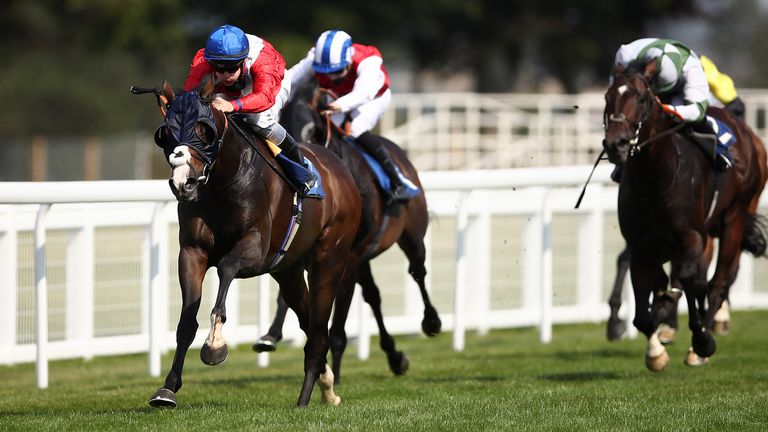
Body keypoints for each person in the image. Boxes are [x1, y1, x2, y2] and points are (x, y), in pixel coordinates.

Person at [183, 24, 315, 195]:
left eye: (231, 68)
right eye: (219, 68)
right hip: (235, 89)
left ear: (243, 60)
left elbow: (264, 97)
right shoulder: (203, 60)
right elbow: (189, 96)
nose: (226, 75)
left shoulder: (263, 61)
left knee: (259, 120)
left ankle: (300, 164)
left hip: (270, 86)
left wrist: (233, 105)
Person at [288, 30, 417, 202]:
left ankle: (398, 179)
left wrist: (338, 105)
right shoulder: (315, 58)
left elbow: (363, 93)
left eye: (337, 71)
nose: (331, 77)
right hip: (338, 99)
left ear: (348, 60)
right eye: (325, 72)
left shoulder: (368, 61)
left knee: (355, 129)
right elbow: (290, 80)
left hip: (373, 98)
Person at [610, 38, 732, 180]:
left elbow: (698, 112)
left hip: (676, 93)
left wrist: (665, 108)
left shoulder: (691, 66)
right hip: (641, 83)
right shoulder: (625, 56)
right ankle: (622, 164)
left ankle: (719, 152)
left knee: (693, 122)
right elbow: (615, 92)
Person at [700, 55, 746, 120]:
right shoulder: (722, 78)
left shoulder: (710, 78)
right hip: (736, 104)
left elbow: (710, 79)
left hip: (732, 105)